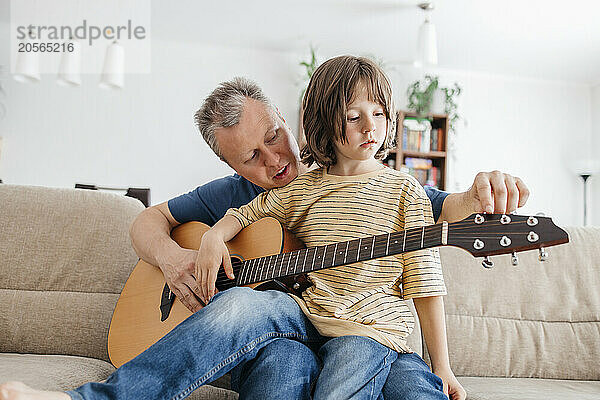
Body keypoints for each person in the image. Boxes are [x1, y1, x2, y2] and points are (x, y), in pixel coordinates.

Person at [0, 63, 529, 400]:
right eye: (252, 156)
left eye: (275, 136)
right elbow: (144, 219)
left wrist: (481, 193)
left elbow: (446, 211)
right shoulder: (236, 198)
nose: (276, 158)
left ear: (287, 121)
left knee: (415, 385)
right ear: (231, 166)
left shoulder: (384, 187)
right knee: (254, 327)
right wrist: (180, 255)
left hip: (369, 333)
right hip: (287, 331)